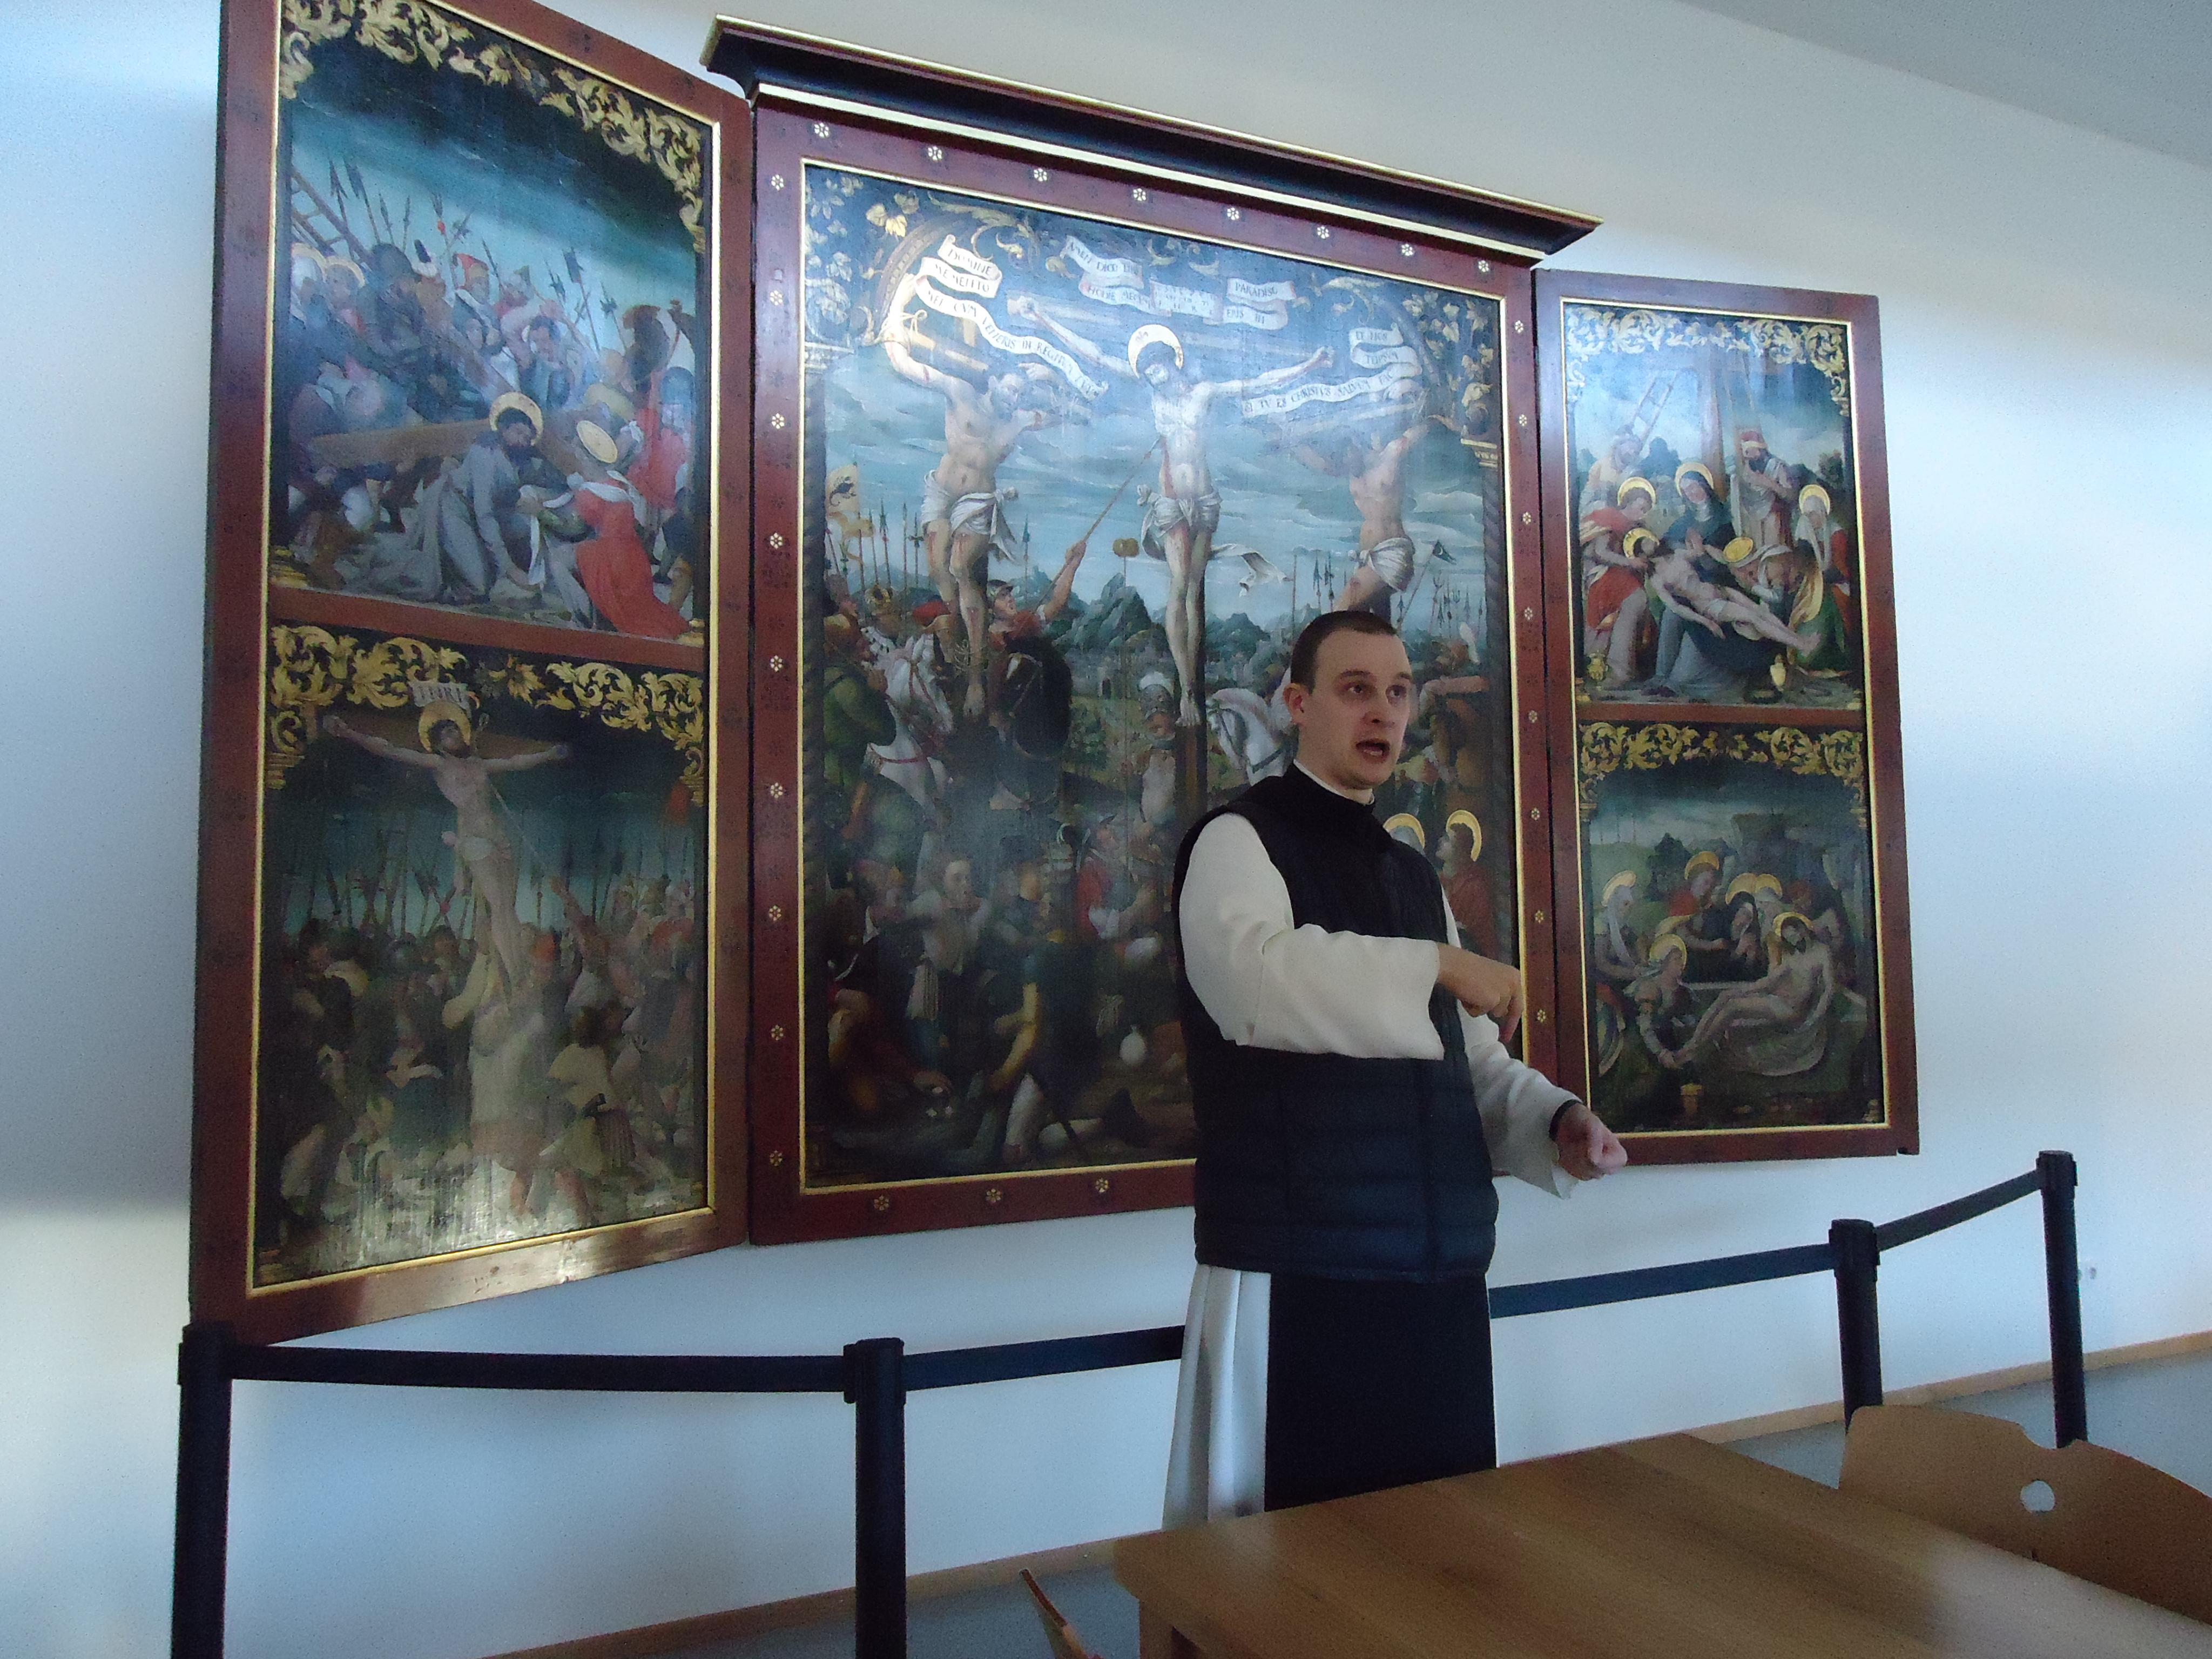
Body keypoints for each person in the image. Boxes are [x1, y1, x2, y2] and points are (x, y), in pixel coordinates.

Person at [1164, 609, 1626, 1524]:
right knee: (1286, 1569)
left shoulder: (1412, 876)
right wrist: (1438, 965)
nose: (1383, 711)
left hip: (1437, 1276)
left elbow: (1471, 1063)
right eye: (1355, 689)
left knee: (1439, 1558)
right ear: (1298, 704)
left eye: (1399, 691)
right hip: (1300, 1267)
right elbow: (1253, 985)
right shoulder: (1236, 840)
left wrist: (1556, 1121)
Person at [1013, 299, 1330, 724]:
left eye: (1158, 366)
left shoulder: (1204, 393)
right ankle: (1187, 692)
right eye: (1147, 370)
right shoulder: (1152, 398)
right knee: (1180, 587)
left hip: (1205, 502)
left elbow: (1255, 383)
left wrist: (1310, 365)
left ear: (1171, 361)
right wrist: (1043, 318)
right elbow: (1097, 357)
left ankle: (1192, 687)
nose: (1154, 375)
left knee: (1195, 592)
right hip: (1171, 503)